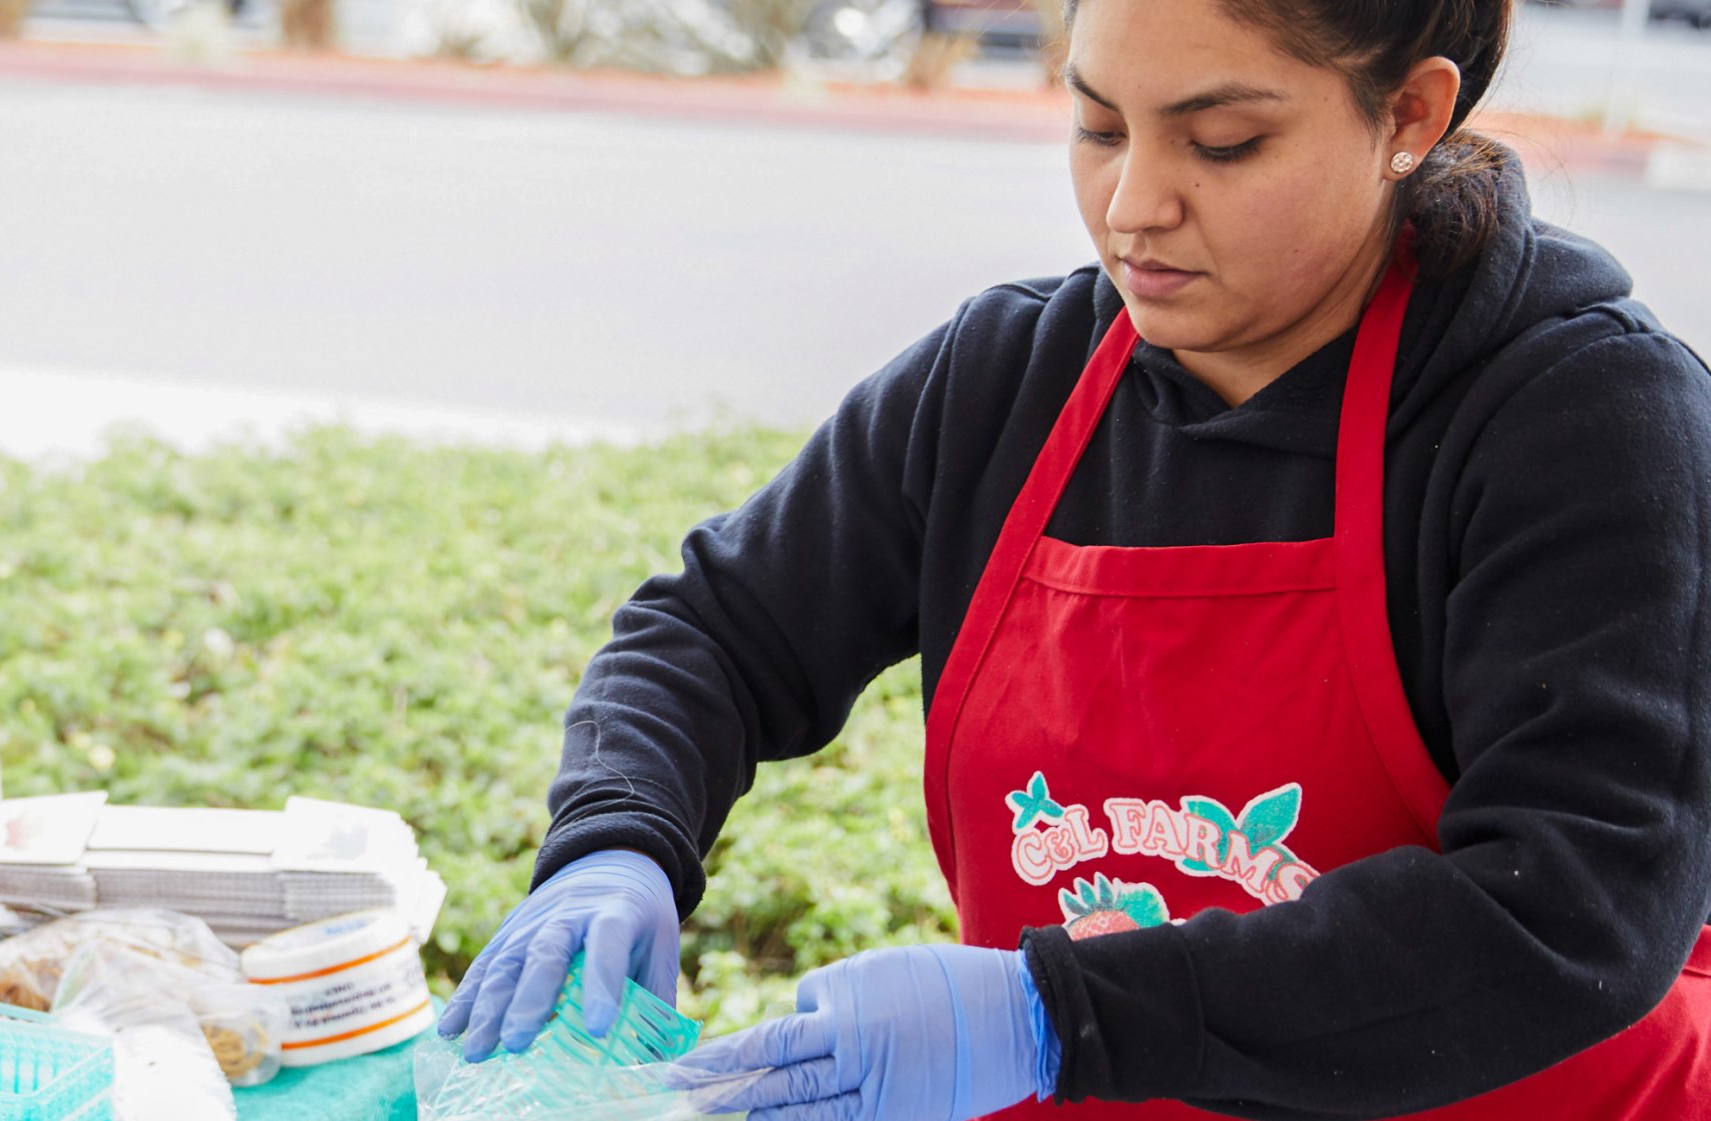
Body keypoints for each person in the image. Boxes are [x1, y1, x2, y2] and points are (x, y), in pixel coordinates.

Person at [441, 0, 1711, 1118]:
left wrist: (1050, 1014)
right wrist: (619, 840)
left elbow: (1570, 908)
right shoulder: (1008, 381)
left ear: (1410, 115)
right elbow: (712, 632)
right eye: (1100, 126)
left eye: (1222, 143)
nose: (1133, 204)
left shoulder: (1583, 420)